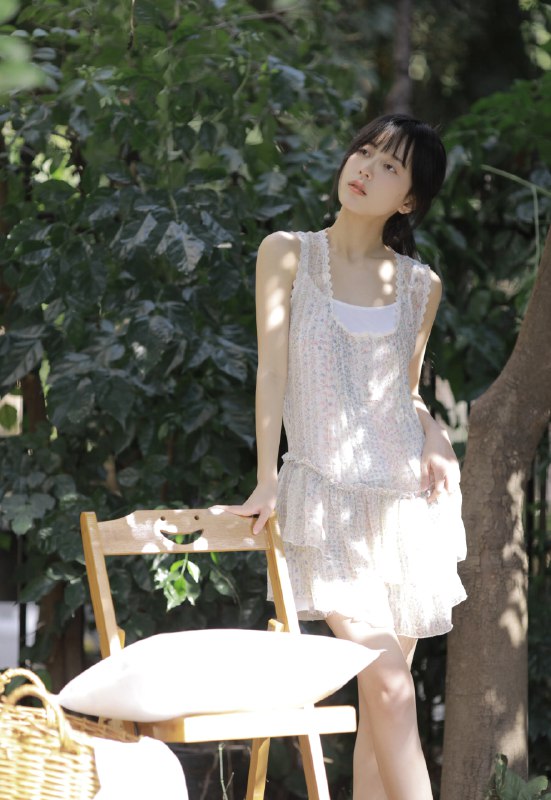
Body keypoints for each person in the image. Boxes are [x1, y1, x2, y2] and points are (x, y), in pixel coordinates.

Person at [221, 113, 467, 800]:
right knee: (389, 684)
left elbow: (405, 393)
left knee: (381, 710)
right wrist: (267, 478)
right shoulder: (287, 254)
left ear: (409, 200)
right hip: (326, 500)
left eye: (390, 166)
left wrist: (436, 436)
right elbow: (272, 373)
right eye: (364, 151)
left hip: (405, 509)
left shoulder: (419, 285)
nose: (365, 168)